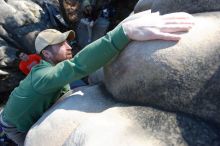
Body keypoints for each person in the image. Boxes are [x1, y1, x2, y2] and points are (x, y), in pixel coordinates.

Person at [0, 10, 194, 145]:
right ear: (47, 55)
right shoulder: (43, 76)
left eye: (68, 41)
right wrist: (123, 33)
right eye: (60, 44)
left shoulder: (49, 70)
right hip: (15, 126)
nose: (68, 46)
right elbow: (78, 66)